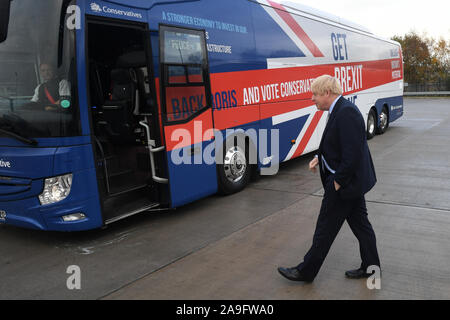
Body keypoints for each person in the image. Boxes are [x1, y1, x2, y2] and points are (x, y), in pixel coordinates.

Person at [278, 75, 380, 282]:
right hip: (351, 184)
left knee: (325, 228)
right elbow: (336, 144)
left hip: (344, 185)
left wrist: (337, 182)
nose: (312, 98)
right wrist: (318, 157)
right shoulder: (338, 110)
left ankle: (305, 271)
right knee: (362, 227)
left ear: (327, 93)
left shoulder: (346, 113)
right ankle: (371, 268)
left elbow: (353, 154)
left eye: (314, 94)